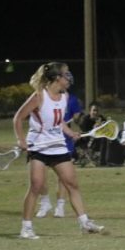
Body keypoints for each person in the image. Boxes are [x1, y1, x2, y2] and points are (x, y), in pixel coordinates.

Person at [12, 62, 106, 239]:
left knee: (72, 184)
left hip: (57, 145)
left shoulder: (65, 96)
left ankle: (84, 223)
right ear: (57, 78)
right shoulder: (39, 96)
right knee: (36, 186)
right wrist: (21, 140)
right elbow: (18, 118)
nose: (69, 77)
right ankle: (26, 228)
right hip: (38, 147)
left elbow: (59, 120)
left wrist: (70, 133)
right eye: (66, 74)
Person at [36, 72, 83, 218]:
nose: (68, 83)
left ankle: (60, 206)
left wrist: (73, 128)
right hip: (44, 139)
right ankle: (45, 202)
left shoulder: (71, 99)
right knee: (40, 176)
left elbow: (76, 118)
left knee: (64, 176)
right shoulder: (43, 95)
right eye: (66, 80)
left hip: (63, 139)